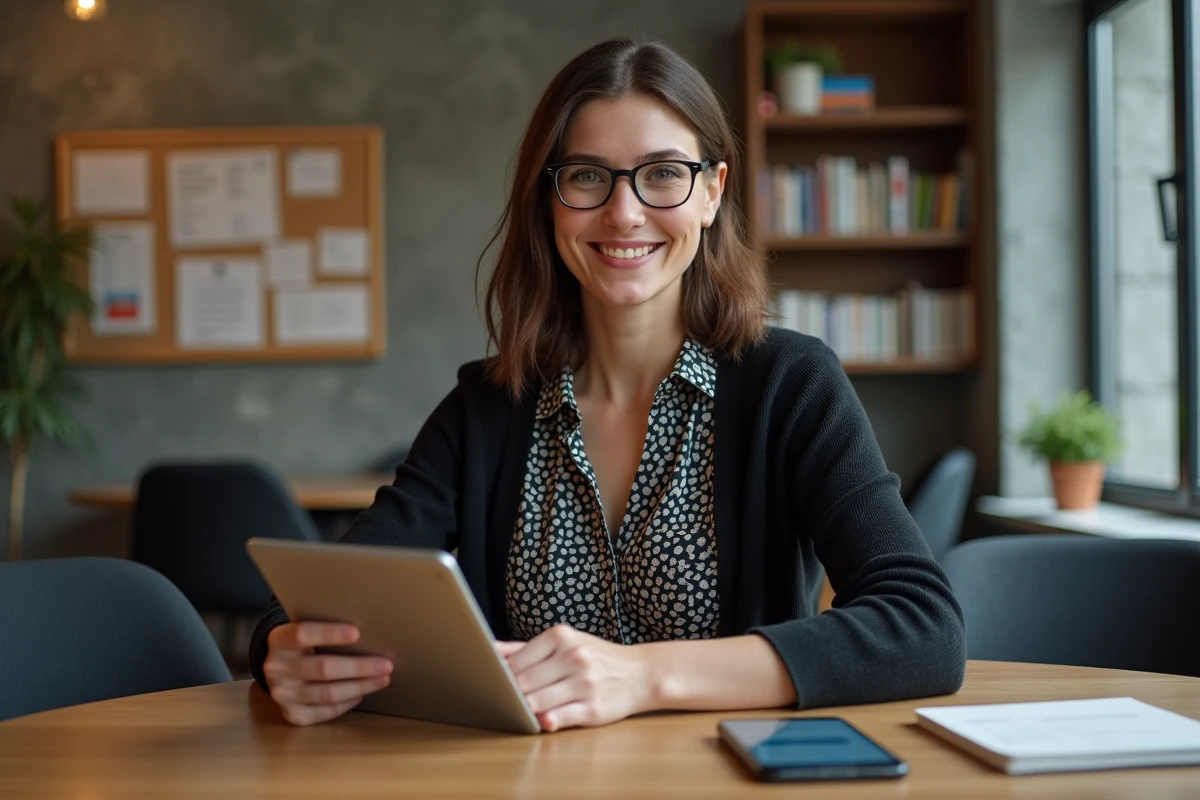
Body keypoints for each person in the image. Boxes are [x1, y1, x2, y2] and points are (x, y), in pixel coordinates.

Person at [250, 37, 966, 731]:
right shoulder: (485, 410)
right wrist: (284, 651)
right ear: (550, 200)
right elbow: (324, 596)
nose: (624, 212)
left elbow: (923, 628)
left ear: (712, 193)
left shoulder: (792, 385)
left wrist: (643, 675)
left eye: (662, 173)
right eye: (588, 176)